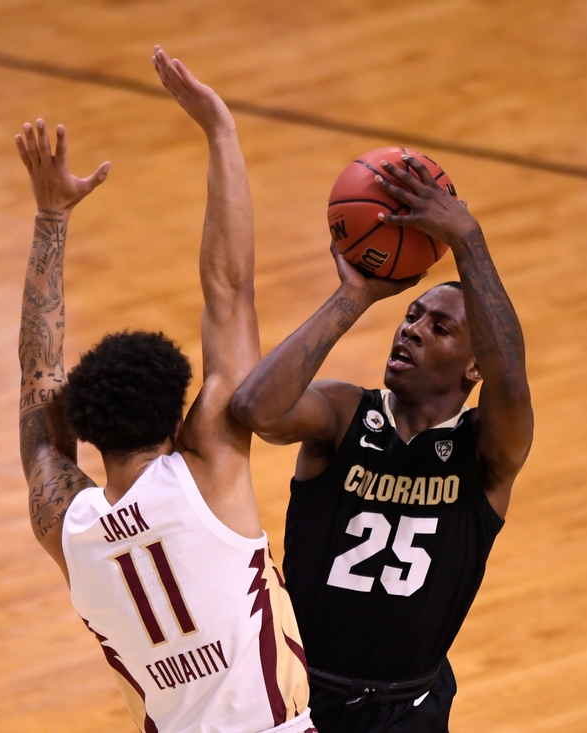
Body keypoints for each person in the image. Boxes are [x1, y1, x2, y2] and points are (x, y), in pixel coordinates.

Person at [15, 47, 315, 733]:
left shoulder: (68, 525)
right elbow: (229, 290)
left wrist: (50, 220)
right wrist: (221, 133)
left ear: (84, 430)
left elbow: (35, 381)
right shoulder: (207, 468)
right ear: (180, 416)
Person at [231, 156, 534, 733]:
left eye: (439, 329)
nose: (412, 328)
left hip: (409, 709)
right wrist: (354, 297)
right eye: (413, 314)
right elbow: (254, 409)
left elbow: (512, 380)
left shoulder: (486, 454)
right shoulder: (345, 414)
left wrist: (468, 241)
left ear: (475, 367)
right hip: (300, 697)